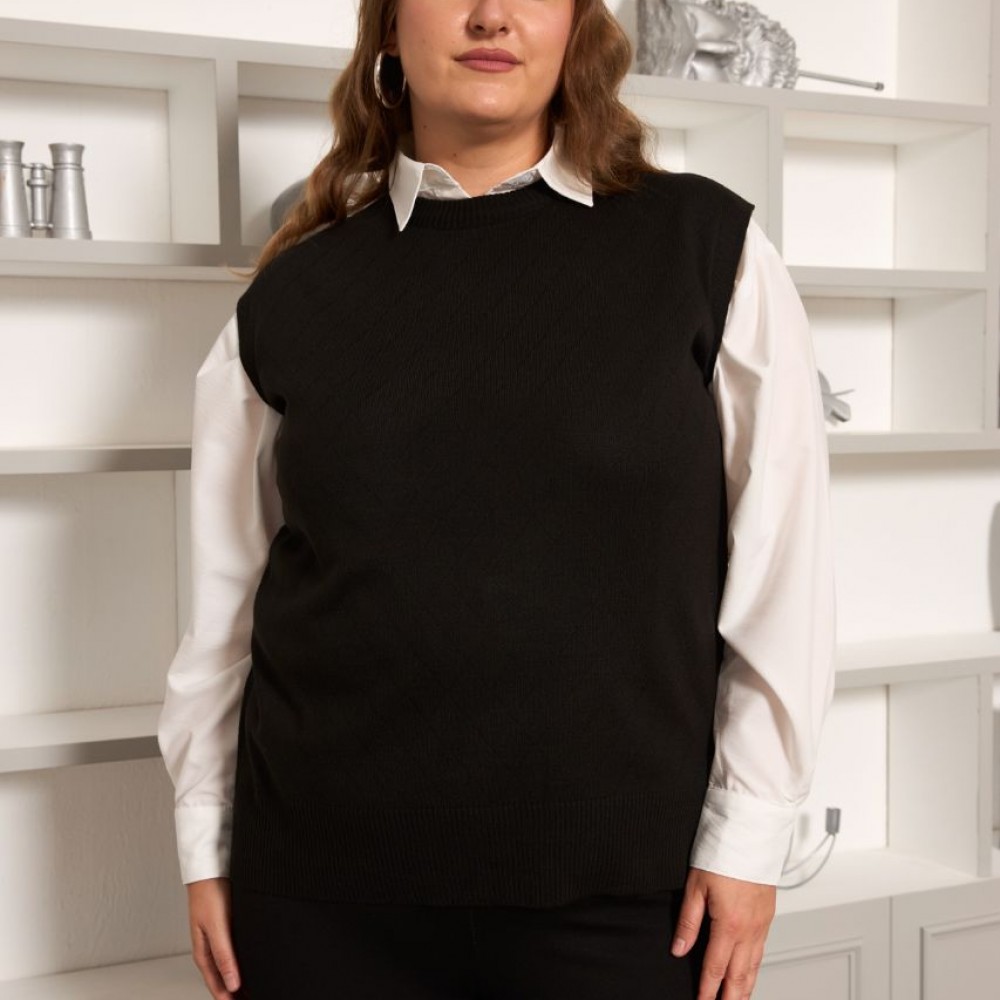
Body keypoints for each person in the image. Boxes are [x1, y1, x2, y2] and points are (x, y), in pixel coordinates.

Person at [156, 1, 836, 998]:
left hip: (623, 891)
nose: (490, 15)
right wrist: (206, 842)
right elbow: (224, 609)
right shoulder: (292, 293)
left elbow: (784, 566)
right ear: (389, 28)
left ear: (575, 25)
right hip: (318, 891)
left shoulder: (706, 249)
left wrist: (750, 836)